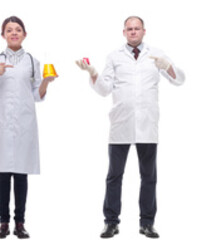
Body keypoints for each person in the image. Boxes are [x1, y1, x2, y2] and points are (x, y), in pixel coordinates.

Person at [78, 16, 183, 239]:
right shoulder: (114, 57)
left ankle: (147, 223)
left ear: (144, 31)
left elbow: (179, 80)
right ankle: (111, 223)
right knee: (114, 176)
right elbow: (104, 89)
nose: (133, 32)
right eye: (129, 29)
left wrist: (168, 66)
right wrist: (93, 72)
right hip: (121, 124)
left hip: (147, 124)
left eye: (137, 28)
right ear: (124, 32)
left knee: (149, 176)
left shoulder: (156, 55)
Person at [0, 16, 55, 239]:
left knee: (21, 174)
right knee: (3, 174)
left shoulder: (33, 61)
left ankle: (20, 223)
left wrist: (46, 83)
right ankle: (3, 223)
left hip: (23, 123)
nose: (14, 33)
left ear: (24, 34)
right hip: (1, 122)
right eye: (9, 30)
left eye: (18, 30)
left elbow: (36, 96)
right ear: (3, 34)